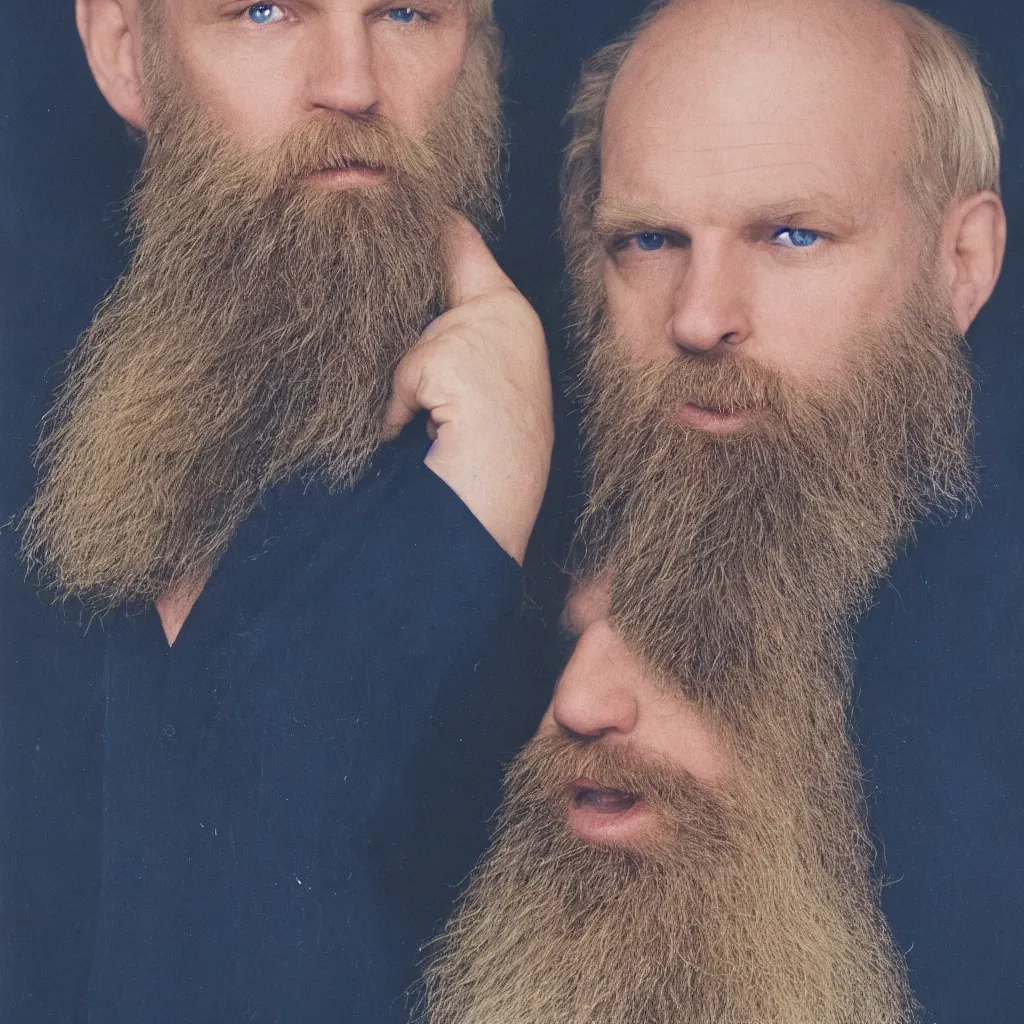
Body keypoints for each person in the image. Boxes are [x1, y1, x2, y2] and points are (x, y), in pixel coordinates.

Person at [421, 0, 1005, 1020]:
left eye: (790, 234)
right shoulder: (487, 582)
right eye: (647, 240)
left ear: (960, 265)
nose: (697, 316)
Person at [5, 1, 554, 1021]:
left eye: (406, 11)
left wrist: (461, 527)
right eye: (263, 9)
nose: (349, 81)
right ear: (127, 52)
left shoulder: (577, 524)